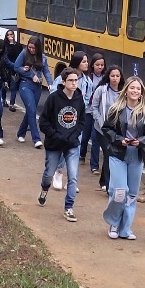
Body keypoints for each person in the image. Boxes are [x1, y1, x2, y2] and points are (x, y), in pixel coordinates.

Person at [101, 76, 145, 241]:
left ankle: (125, 228)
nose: (135, 91)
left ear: (141, 93)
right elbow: (107, 129)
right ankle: (113, 223)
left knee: (131, 194)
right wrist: (120, 140)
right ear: (126, 91)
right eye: (132, 88)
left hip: (136, 155)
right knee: (119, 191)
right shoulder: (116, 109)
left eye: (138, 89)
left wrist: (141, 141)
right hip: (118, 154)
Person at [36, 67, 86, 223]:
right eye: (70, 80)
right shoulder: (53, 99)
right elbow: (43, 122)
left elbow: (82, 122)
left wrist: (73, 135)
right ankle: (44, 189)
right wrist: (55, 135)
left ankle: (68, 207)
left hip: (72, 144)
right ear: (63, 82)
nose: (73, 83)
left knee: (73, 177)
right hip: (54, 143)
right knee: (49, 174)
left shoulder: (79, 99)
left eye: (76, 80)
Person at [50, 51, 92, 190]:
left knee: (76, 148)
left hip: (77, 120)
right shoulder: (64, 77)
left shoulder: (87, 81)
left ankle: (71, 180)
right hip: (63, 119)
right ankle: (58, 172)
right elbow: (53, 95)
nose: (87, 64)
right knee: (63, 146)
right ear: (77, 62)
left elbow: (87, 100)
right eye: (84, 61)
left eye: (87, 61)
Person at [14, 36, 53, 148]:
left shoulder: (43, 57)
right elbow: (16, 67)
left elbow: (46, 71)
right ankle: (36, 138)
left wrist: (50, 84)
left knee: (30, 111)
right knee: (31, 110)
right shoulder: (24, 53)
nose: (31, 50)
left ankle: (20, 133)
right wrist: (30, 74)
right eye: (29, 47)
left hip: (38, 87)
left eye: (33, 48)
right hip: (25, 84)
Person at [91, 65, 124, 192]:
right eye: (112, 76)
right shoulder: (102, 90)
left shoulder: (124, 92)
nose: (115, 78)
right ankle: (109, 186)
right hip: (102, 130)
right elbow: (94, 107)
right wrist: (100, 121)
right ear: (108, 77)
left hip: (117, 130)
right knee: (108, 152)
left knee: (110, 154)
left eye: (117, 76)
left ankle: (103, 180)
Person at [83, 53, 106, 171]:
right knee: (85, 136)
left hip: (99, 112)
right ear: (92, 65)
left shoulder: (106, 78)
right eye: (97, 65)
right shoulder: (88, 77)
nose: (100, 67)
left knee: (95, 137)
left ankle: (94, 166)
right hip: (88, 110)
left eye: (102, 65)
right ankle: (82, 154)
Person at [3, 30, 23, 111]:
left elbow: (19, 54)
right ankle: (3, 100)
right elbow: (7, 55)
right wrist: (10, 44)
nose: (10, 36)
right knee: (4, 86)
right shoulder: (5, 45)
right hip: (6, 68)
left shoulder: (18, 45)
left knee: (13, 87)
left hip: (15, 68)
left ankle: (12, 103)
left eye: (11, 34)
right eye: (8, 35)